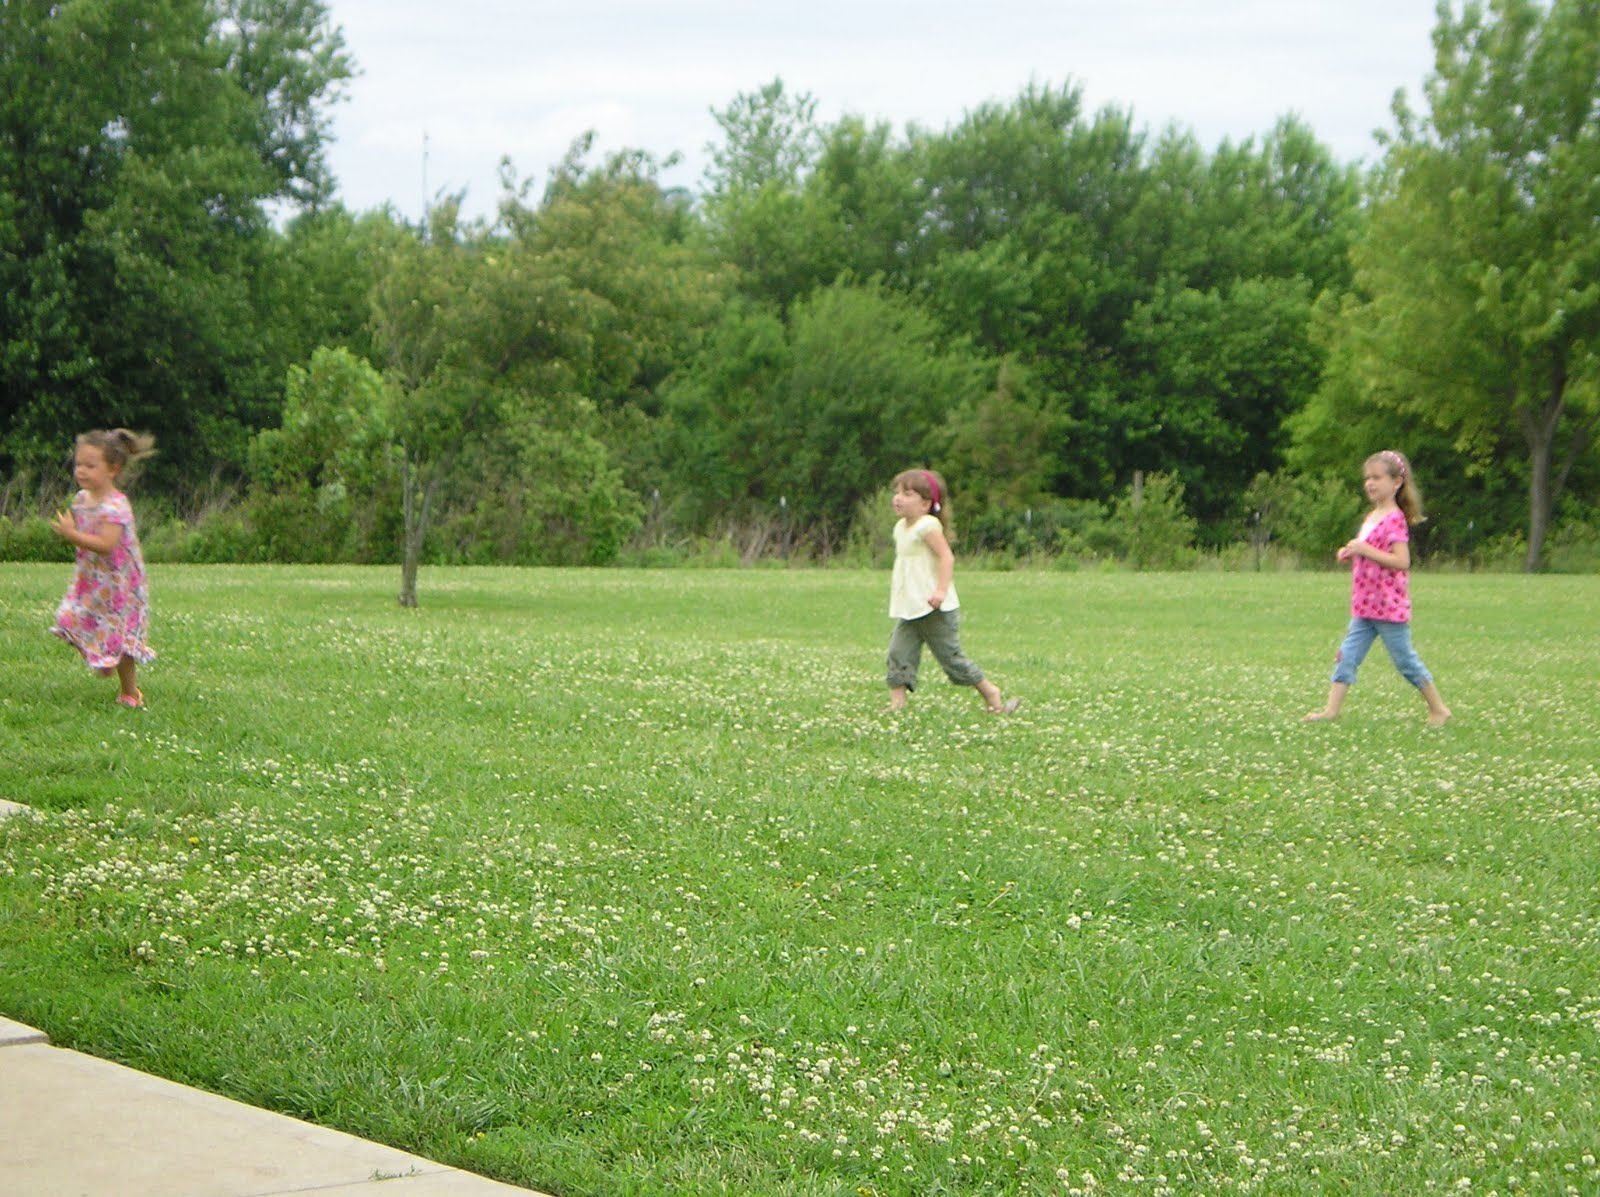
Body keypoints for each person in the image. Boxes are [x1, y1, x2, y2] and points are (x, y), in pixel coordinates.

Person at [1304, 449, 1450, 727]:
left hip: (1387, 608)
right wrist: (1351, 552)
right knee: (1346, 657)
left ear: (1396, 482)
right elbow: (1368, 550)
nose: (1370, 483)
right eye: (1367, 478)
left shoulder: (1394, 518)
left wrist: (1365, 550)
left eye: (1377, 477)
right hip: (1364, 606)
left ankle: (1438, 709)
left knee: (1405, 661)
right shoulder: (1372, 516)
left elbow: (1402, 561)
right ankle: (1331, 711)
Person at [885, 468, 1019, 714]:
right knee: (898, 652)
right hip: (911, 606)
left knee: (951, 659)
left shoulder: (927, 526)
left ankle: (991, 693)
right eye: (897, 492)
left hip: (935, 608)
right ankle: (897, 706)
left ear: (926, 504)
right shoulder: (901, 527)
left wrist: (940, 591)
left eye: (907, 494)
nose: (898, 498)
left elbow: (946, 557)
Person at [50, 429, 157, 708]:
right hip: (92, 581)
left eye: (90, 465)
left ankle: (130, 692)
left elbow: (107, 545)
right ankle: (101, 656)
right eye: (79, 464)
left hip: (120, 585)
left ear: (113, 469)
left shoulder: (116, 505)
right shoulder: (81, 499)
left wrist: (72, 535)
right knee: (70, 618)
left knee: (121, 642)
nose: (81, 471)